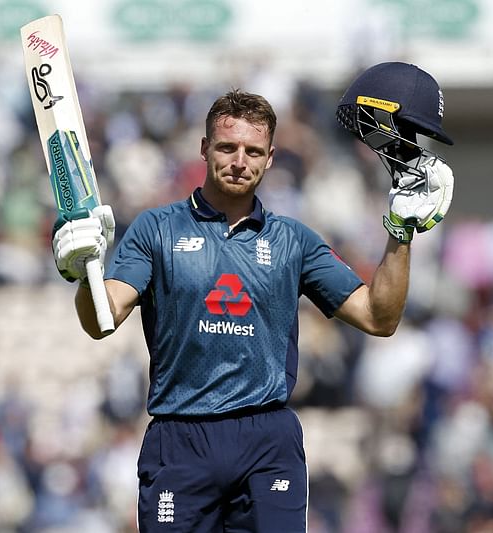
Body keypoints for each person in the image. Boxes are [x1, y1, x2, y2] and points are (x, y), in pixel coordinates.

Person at [51, 62, 454, 532]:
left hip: (267, 440)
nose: (239, 161)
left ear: (270, 157)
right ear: (204, 149)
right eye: (226, 147)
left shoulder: (294, 240)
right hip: (181, 437)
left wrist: (399, 232)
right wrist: (84, 273)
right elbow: (101, 318)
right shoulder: (156, 230)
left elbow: (378, 317)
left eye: (253, 150)